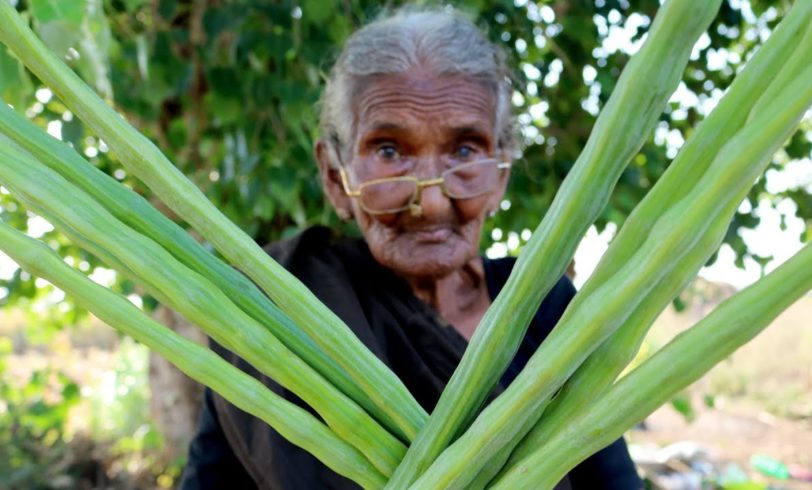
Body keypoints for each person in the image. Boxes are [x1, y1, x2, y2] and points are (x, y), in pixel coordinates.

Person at [180, 7, 641, 490]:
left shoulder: (547, 310)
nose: (432, 201)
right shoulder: (274, 311)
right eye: (389, 152)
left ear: (500, 174)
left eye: (464, 151)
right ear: (335, 178)